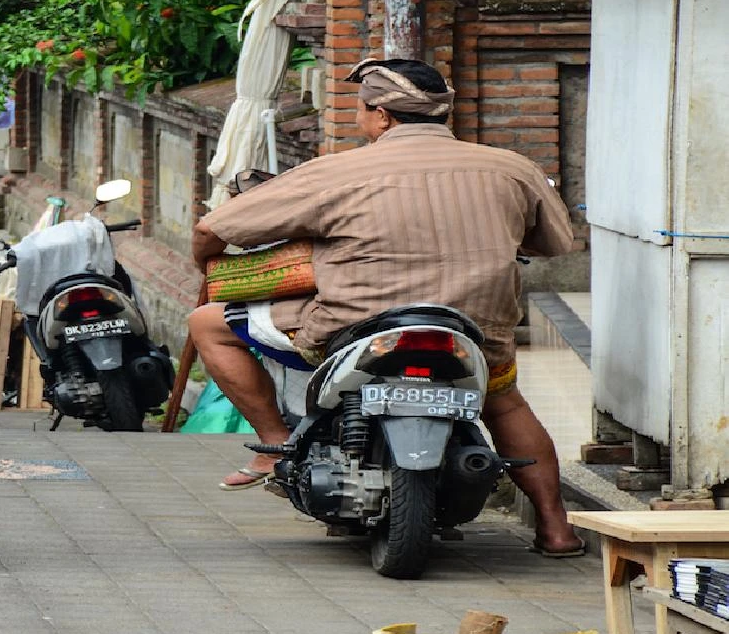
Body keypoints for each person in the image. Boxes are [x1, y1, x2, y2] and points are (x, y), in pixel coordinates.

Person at [188, 57, 584, 556]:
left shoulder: (335, 171)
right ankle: (556, 530)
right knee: (504, 402)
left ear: (380, 115)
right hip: (476, 331)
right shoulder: (512, 168)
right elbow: (556, 243)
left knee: (208, 324)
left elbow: (213, 229)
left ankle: (273, 443)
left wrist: (208, 265)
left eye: (362, 107)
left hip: (349, 327)